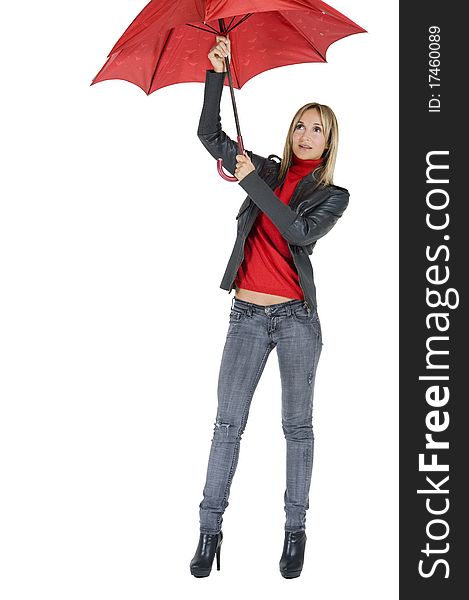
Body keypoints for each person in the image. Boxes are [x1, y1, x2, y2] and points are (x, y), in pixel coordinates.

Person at [189, 35, 349, 579]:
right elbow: (209, 135)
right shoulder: (271, 172)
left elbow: (298, 232)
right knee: (226, 424)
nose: (306, 134)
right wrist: (216, 74)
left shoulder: (333, 195)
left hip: (297, 320)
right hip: (246, 317)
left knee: (297, 427)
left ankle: (294, 531)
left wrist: (251, 180)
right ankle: (209, 533)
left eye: (317, 128)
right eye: (301, 124)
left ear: (329, 144)